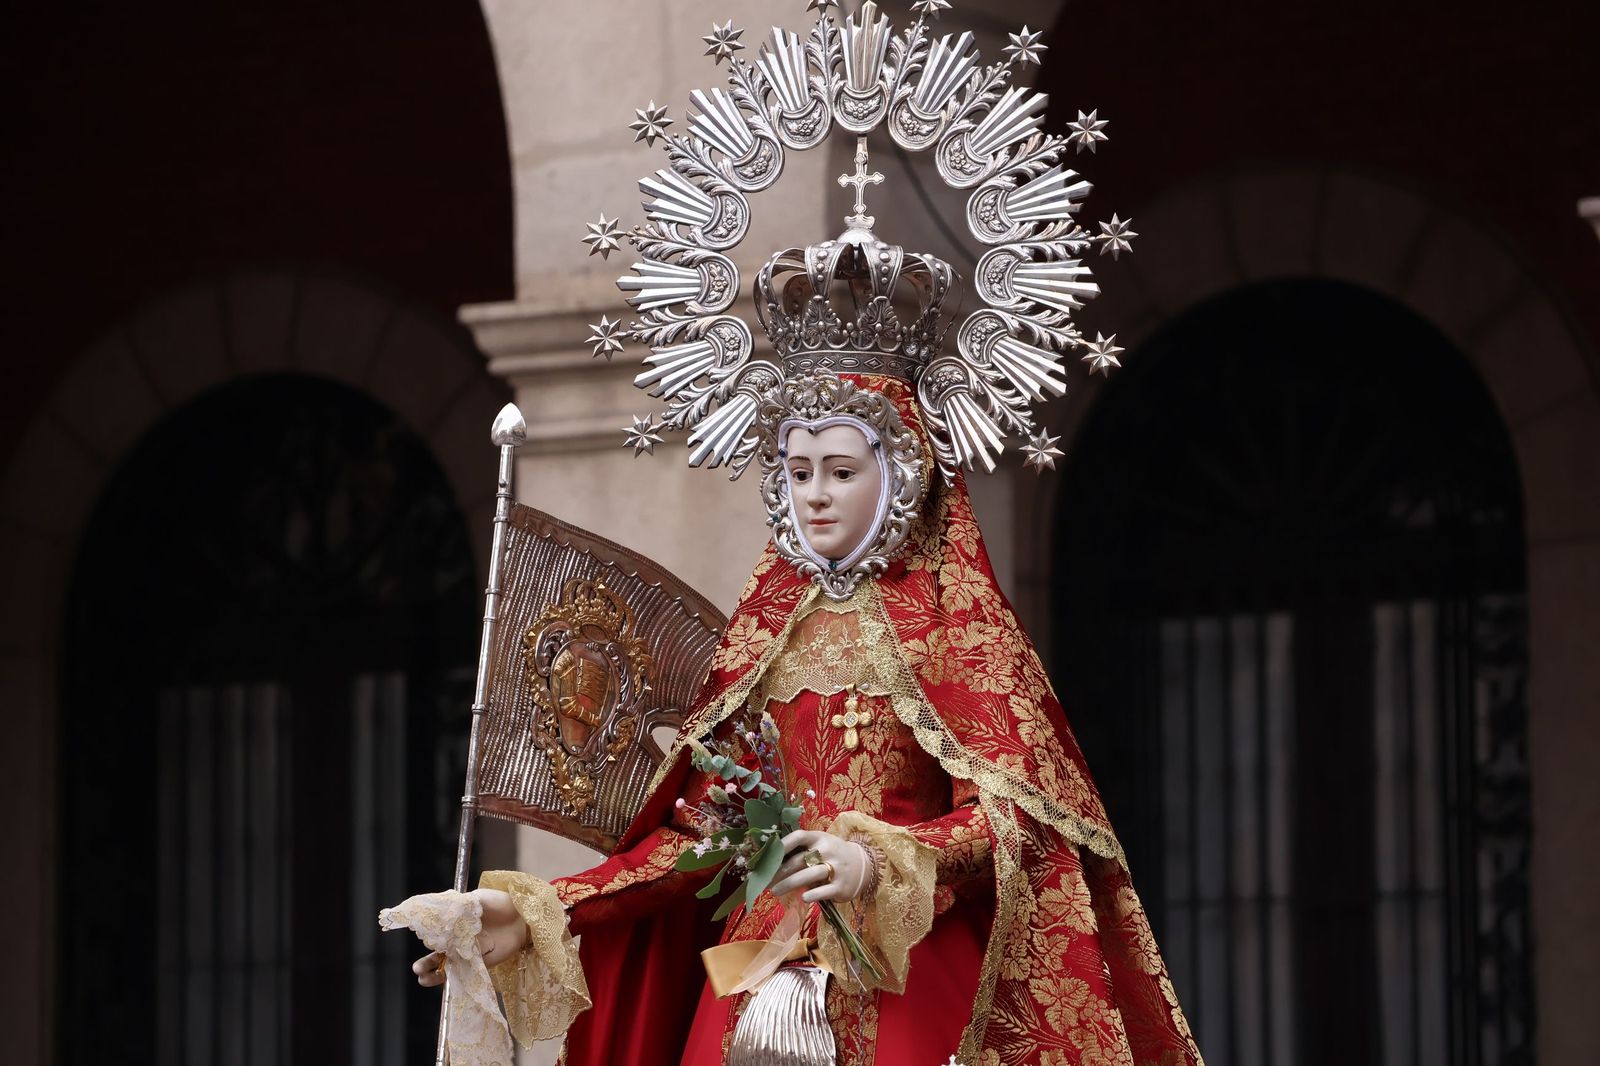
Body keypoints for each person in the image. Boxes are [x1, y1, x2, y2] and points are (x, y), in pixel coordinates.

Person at [394, 371, 1204, 1066]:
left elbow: (1016, 823)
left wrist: (879, 863)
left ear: (902, 474)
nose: (815, 492)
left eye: (842, 470)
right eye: (798, 468)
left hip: (908, 973)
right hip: (757, 981)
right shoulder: (763, 634)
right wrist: (539, 910)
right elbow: (705, 834)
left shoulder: (957, 630)